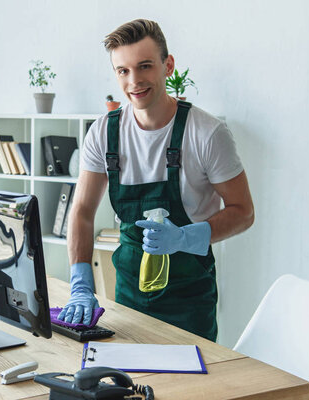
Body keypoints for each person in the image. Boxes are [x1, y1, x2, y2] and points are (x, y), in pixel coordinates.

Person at [56, 19, 254, 342]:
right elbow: (80, 212)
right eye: (123, 71)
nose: (134, 81)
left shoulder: (207, 134)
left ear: (168, 65)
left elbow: (244, 211)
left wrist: (187, 237)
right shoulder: (104, 134)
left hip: (190, 303)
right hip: (129, 301)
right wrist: (80, 283)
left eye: (144, 66)